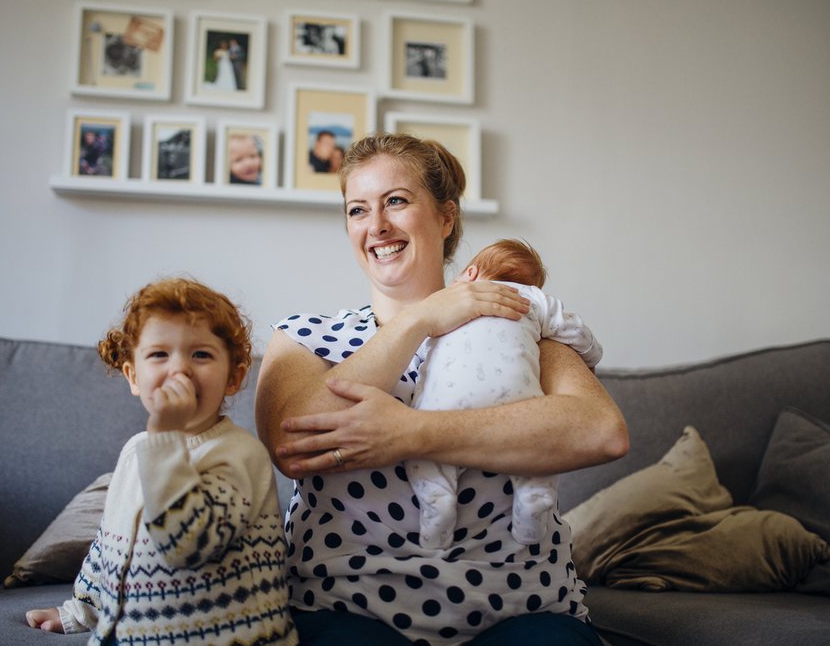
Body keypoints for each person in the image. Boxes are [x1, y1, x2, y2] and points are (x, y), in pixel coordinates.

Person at [255, 132, 628, 645]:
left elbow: (600, 432)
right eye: (357, 210)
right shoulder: (306, 337)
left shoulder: (511, 316)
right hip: (347, 608)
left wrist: (410, 434)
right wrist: (421, 318)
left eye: (396, 202)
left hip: (521, 609)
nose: (377, 225)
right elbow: (292, 444)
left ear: (446, 217)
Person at [26, 277, 296, 645]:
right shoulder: (138, 451)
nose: (179, 370)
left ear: (233, 377)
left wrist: (165, 438)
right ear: (134, 377)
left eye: (200, 355)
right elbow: (110, 546)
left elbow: (188, 543)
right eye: (159, 355)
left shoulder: (239, 455)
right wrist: (79, 610)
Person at [408, 238, 603, 550]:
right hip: (515, 400)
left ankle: (437, 504)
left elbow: (415, 347)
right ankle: (533, 497)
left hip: (444, 403)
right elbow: (576, 331)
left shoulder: (445, 303)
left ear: (469, 273)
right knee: (537, 442)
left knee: (422, 451)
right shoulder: (534, 300)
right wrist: (591, 359)